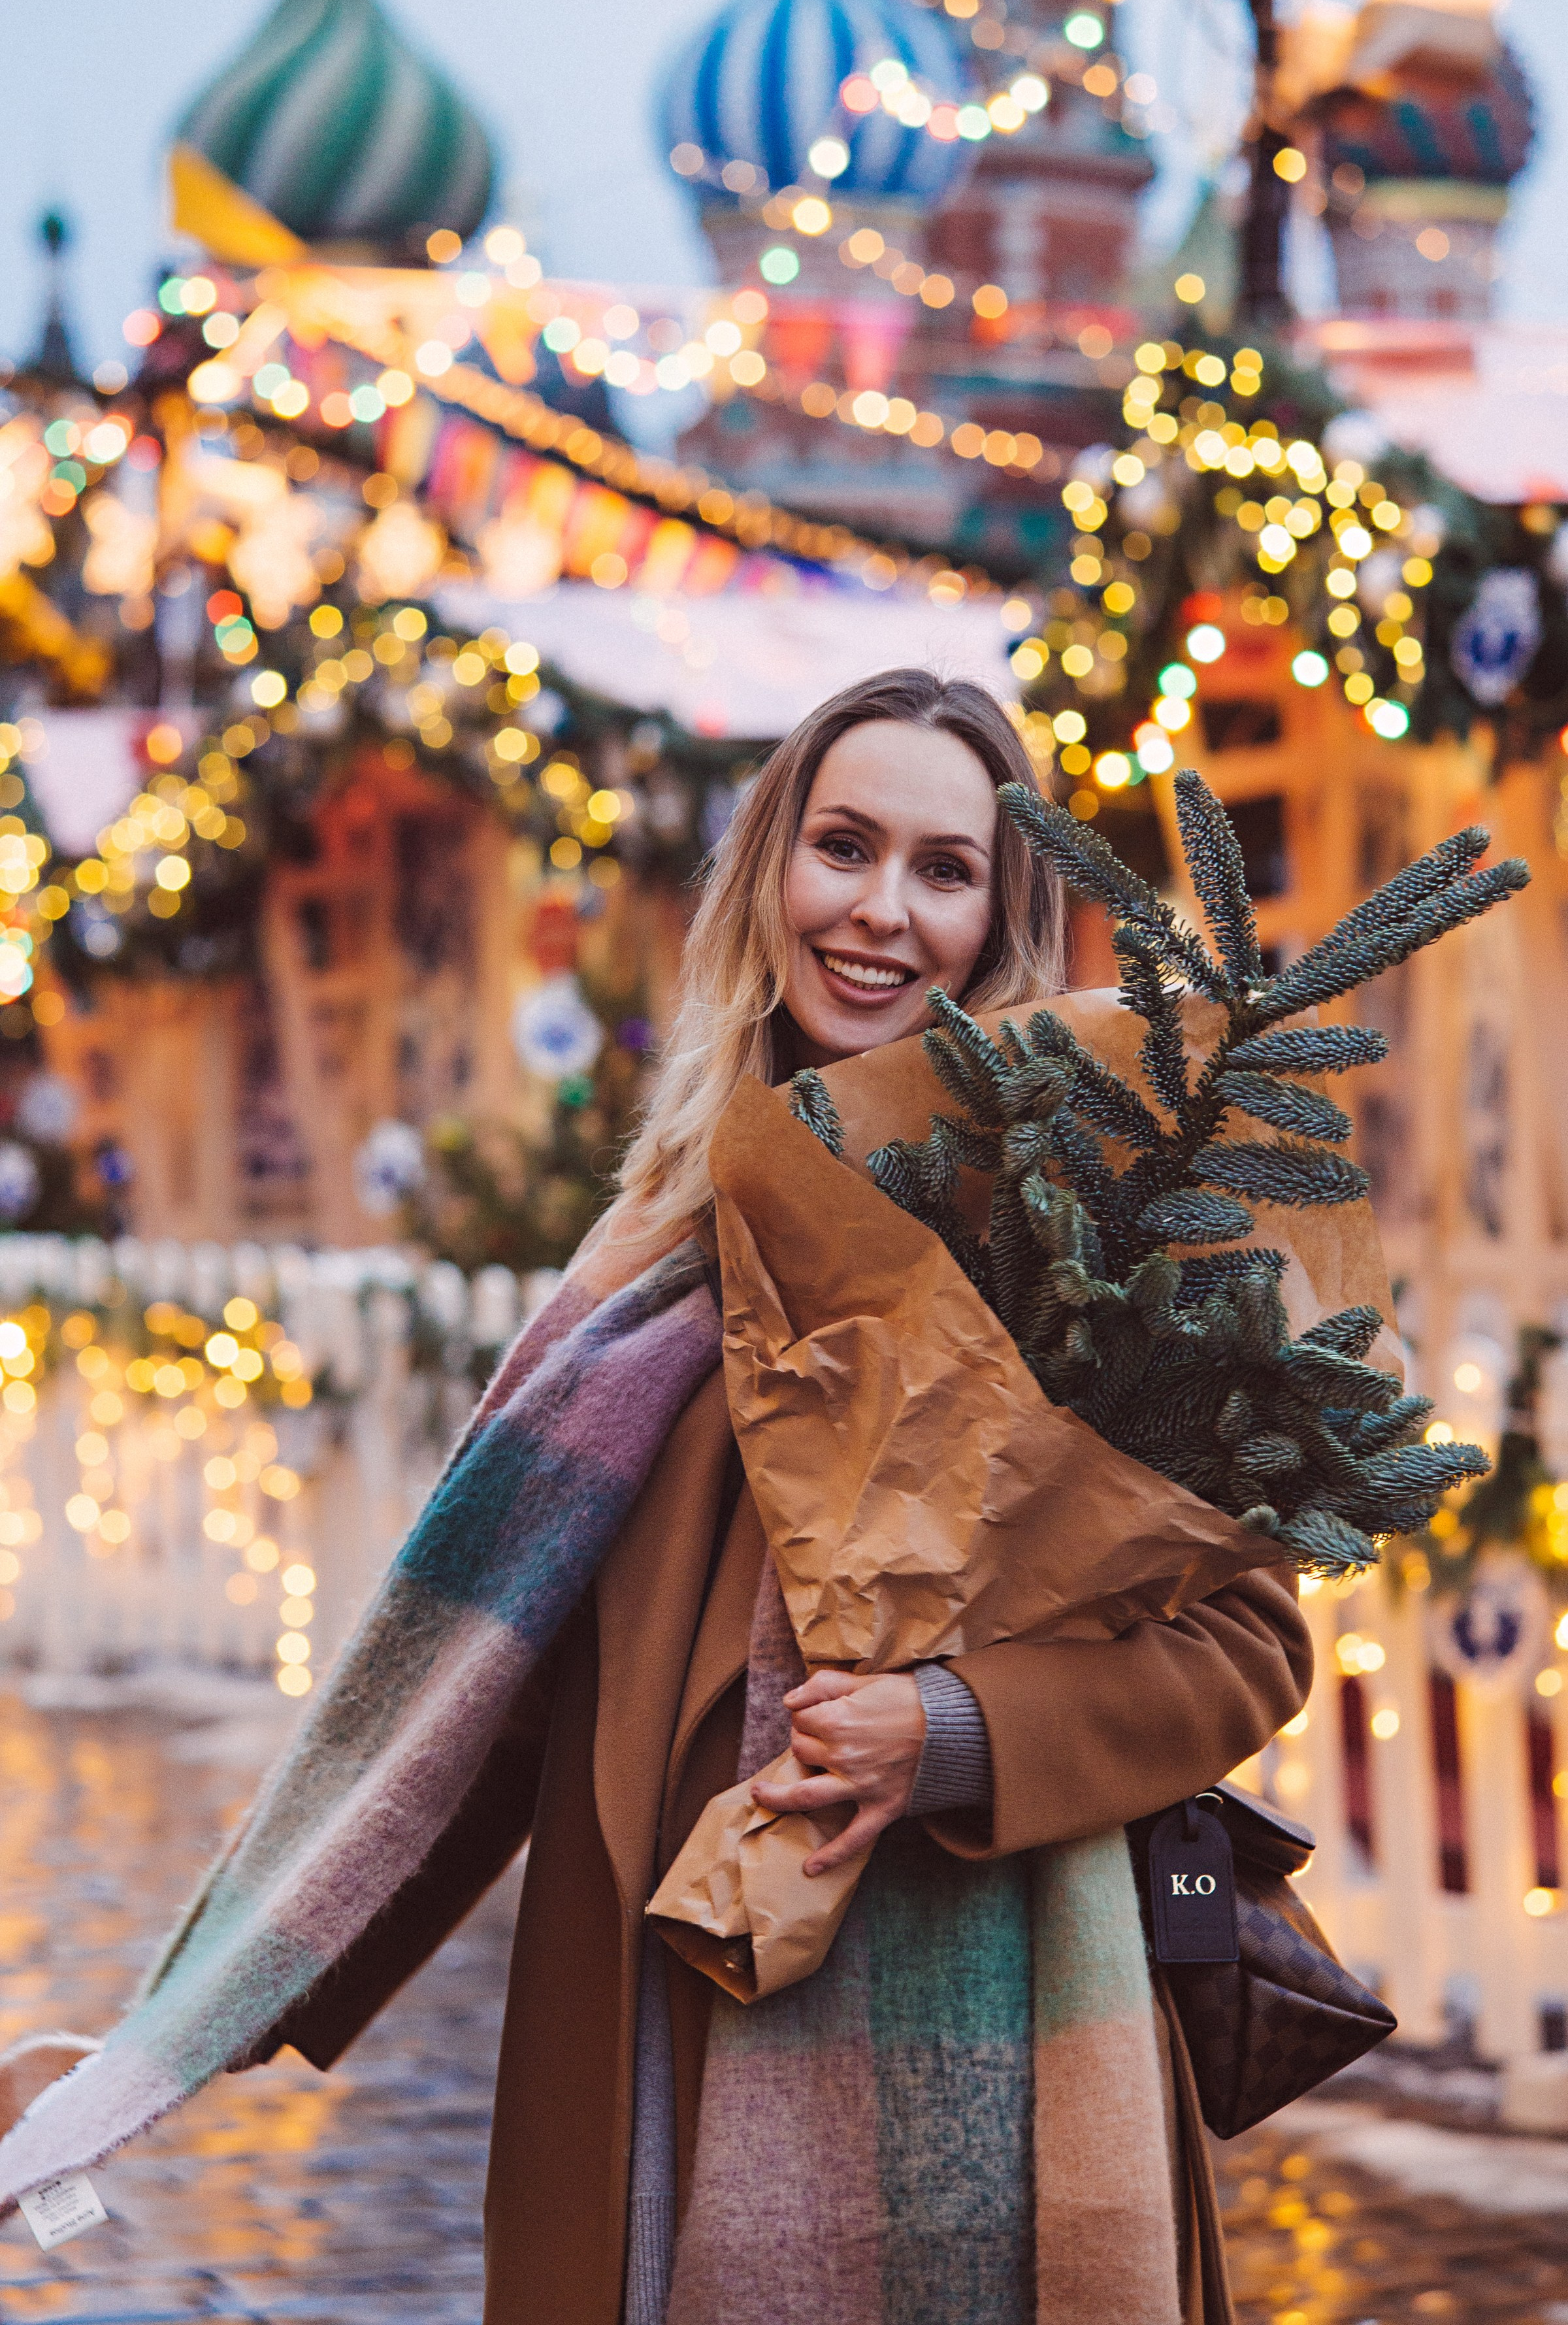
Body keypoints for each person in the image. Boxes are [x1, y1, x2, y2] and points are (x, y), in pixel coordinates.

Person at [9, 671, 1308, 2324]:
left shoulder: (1085, 1232)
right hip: (670, 2002)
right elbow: (478, 1696)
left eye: (943, 869)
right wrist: (182, 2032)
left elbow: (1250, 1643)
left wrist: (962, 1729)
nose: (882, 912)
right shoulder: (657, 1235)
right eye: (844, 847)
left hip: (1007, 2018)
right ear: (772, 871)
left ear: (1001, 917)